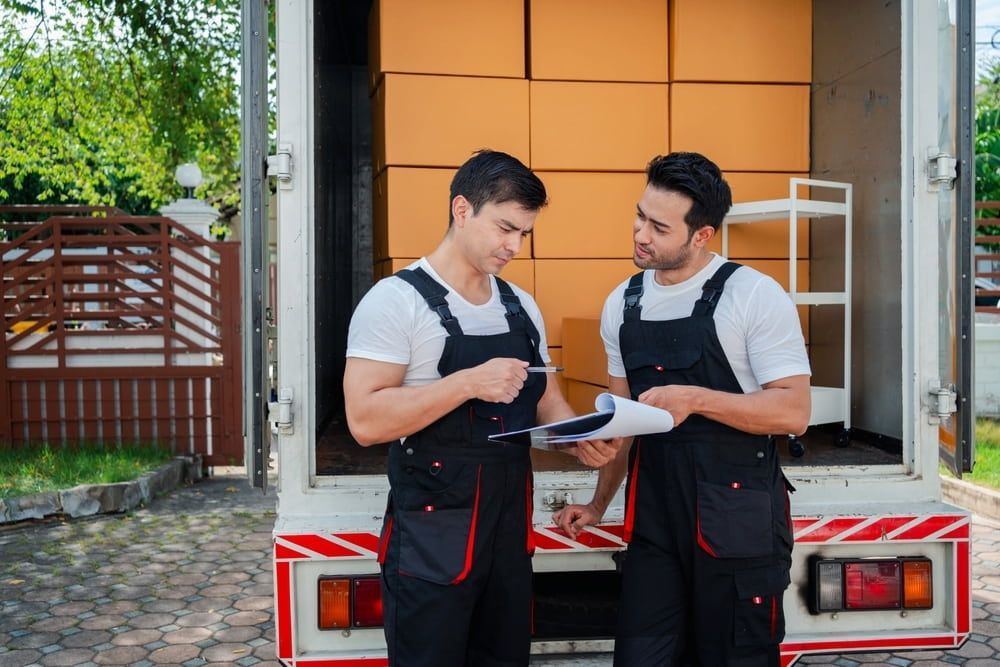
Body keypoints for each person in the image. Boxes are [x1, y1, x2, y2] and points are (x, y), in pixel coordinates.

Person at [343, 149, 620, 667]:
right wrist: (466, 383)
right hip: (432, 536)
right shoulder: (394, 301)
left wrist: (576, 435)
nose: (514, 246)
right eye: (505, 228)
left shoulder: (519, 304)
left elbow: (548, 400)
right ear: (462, 209)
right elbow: (364, 421)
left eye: (525, 234)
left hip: (507, 533)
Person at [554, 152, 811, 666]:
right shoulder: (622, 303)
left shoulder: (753, 295)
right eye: (639, 215)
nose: (640, 234)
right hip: (656, 526)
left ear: (702, 236)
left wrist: (692, 398)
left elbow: (793, 411)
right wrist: (600, 501)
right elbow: (621, 420)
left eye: (659, 226)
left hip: (737, 527)